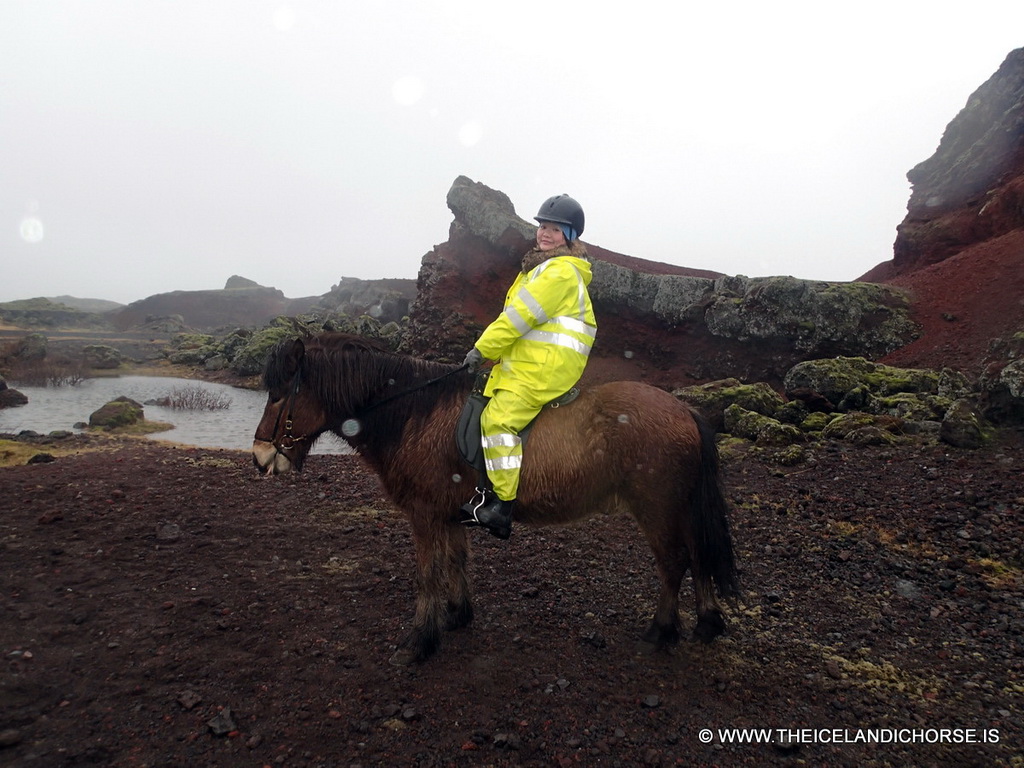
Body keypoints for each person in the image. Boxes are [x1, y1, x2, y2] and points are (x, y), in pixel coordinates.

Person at [461, 194, 597, 539]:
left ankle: (502, 507)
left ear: (569, 235)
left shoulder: (560, 272)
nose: (544, 234)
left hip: (545, 368)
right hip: (529, 361)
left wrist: (481, 349)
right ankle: (484, 490)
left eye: (554, 229)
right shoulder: (540, 267)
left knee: (498, 419)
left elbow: (517, 319)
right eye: (542, 227)